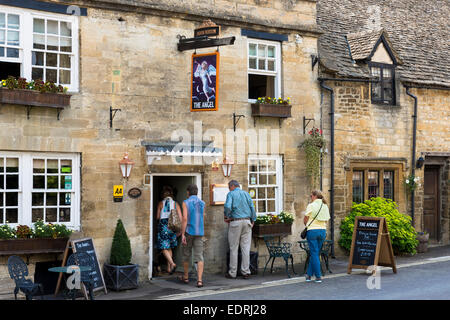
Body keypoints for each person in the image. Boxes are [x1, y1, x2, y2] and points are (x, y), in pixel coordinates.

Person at [224, 180, 256, 279]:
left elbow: (228, 206)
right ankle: (246, 272)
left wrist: (227, 216)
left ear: (232, 186)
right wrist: (253, 220)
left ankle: (232, 273)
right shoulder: (246, 194)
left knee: (233, 248)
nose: (229, 189)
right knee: (246, 248)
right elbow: (252, 207)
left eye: (229, 187)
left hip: (235, 222)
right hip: (247, 221)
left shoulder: (231, 194)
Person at [179, 184, 206, 288]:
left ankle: (186, 277)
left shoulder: (186, 202)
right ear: (197, 192)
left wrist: (182, 234)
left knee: (186, 254)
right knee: (199, 256)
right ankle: (199, 280)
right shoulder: (202, 203)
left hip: (189, 231)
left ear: (188, 192)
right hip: (199, 232)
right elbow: (203, 216)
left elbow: (185, 218)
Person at [303, 190, 330, 283]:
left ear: (314, 196)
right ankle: (309, 275)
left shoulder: (311, 205)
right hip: (322, 231)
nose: (311, 198)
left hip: (312, 231)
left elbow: (305, 218)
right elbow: (327, 220)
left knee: (314, 253)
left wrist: (307, 224)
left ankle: (318, 276)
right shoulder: (325, 206)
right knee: (315, 253)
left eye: (311, 196)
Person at [155, 186, 182, 275]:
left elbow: (158, 217)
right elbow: (180, 217)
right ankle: (169, 269)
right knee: (169, 247)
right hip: (172, 226)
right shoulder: (175, 203)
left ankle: (172, 264)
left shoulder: (160, 203)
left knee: (163, 247)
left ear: (163, 195)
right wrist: (181, 229)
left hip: (163, 225)